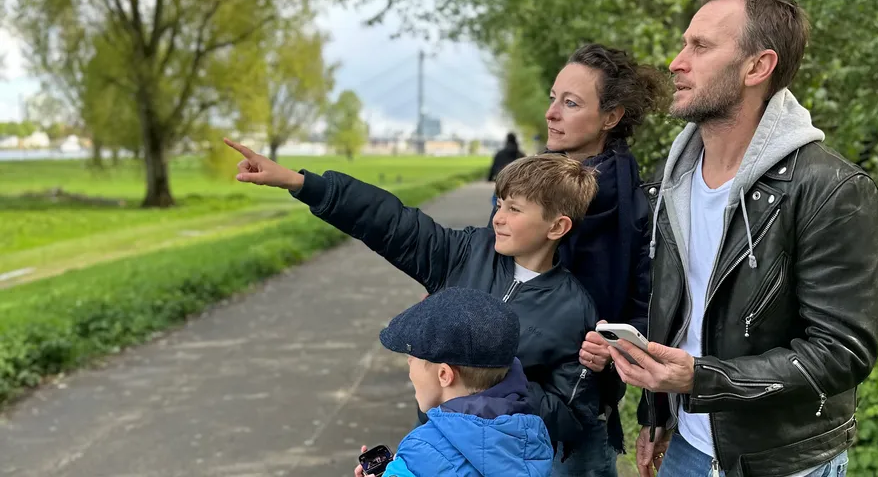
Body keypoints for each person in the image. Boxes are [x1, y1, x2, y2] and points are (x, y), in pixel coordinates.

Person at [605, 0, 878, 477]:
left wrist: (701, 379)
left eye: (701, 47)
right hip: (687, 449)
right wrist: (656, 412)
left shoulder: (832, 188)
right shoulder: (674, 182)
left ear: (757, 67)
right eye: (683, 43)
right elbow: (683, 313)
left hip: (780, 462)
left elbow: (842, 351)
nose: (676, 62)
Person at [223, 138, 603, 464]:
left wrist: (493, 381)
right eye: (499, 203)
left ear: (557, 227)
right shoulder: (465, 252)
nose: (498, 219)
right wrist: (300, 183)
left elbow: (572, 414)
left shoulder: (575, 309)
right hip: (431, 451)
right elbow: (390, 222)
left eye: (514, 209)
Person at [490, 43, 671, 476]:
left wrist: (615, 346)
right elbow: (488, 268)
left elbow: (652, 312)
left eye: (570, 103)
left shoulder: (639, 207)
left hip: (578, 414)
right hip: (492, 397)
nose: (552, 112)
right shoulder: (525, 186)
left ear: (611, 117)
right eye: (554, 98)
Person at [352, 287, 553, 477]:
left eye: (412, 357)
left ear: (444, 375)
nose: (409, 364)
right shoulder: (531, 433)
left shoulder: (418, 453)